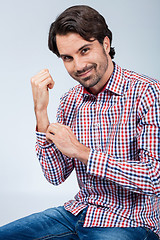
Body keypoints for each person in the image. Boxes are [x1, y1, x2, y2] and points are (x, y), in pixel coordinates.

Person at [0, 5, 160, 240]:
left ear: (105, 44)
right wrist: (41, 112)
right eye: (68, 57)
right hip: (78, 213)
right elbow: (55, 176)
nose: (78, 66)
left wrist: (82, 152)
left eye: (84, 50)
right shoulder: (70, 101)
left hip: (130, 221)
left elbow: (155, 178)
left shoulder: (147, 92)